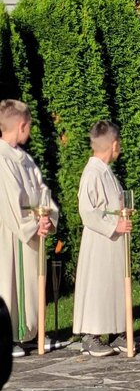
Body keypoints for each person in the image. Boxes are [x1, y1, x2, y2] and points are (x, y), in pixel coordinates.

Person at [0, 100, 59, 358]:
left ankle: (29, 332)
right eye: (30, 126)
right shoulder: (2, 159)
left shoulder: (24, 159)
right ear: (21, 125)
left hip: (31, 230)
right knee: (8, 281)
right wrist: (34, 223)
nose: (30, 131)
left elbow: (41, 190)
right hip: (9, 233)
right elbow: (10, 201)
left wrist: (47, 216)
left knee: (30, 284)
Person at [73, 121, 131, 357]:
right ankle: (90, 335)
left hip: (113, 239)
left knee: (112, 284)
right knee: (98, 284)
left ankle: (115, 330)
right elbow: (87, 211)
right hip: (99, 240)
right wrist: (113, 224)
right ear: (114, 144)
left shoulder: (106, 171)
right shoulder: (92, 172)